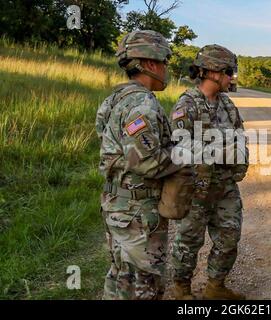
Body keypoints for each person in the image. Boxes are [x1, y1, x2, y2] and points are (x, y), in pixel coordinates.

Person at [95, 30, 180, 300]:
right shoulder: (142, 103)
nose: (167, 69)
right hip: (138, 212)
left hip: (118, 205)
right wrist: (186, 154)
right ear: (151, 64)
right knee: (146, 286)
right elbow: (148, 163)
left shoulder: (114, 100)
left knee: (121, 278)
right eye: (165, 62)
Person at [170, 44, 249, 300]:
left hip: (225, 187)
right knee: (188, 242)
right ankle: (182, 288)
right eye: (228, 72)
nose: (231, 78)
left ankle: (216, 286)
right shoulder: (187, 104)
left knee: (229, 237)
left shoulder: (227, 105)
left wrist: (239, 157)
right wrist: (219, 151)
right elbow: (179, 146)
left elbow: (240, 138)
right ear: (212, 72)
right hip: (195, 188)